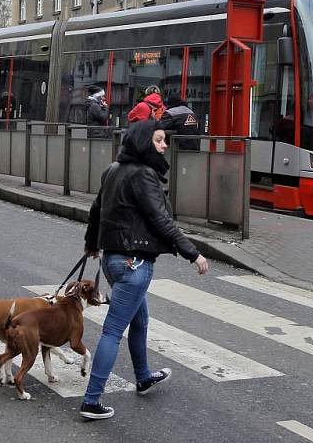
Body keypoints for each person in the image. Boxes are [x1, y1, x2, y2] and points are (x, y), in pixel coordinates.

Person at [80, 120, 209, 420]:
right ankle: (91, 400)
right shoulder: (144, 175)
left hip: (114, 260)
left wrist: (91, 244)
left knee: (140, 320)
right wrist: (194, 254)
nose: (165, 146)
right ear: (143, 142)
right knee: (113, 331)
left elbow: (97, 210)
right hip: (134, 262)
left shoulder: (113, 170)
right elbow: (160, 220)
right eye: (160, 140)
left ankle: (143, 376)